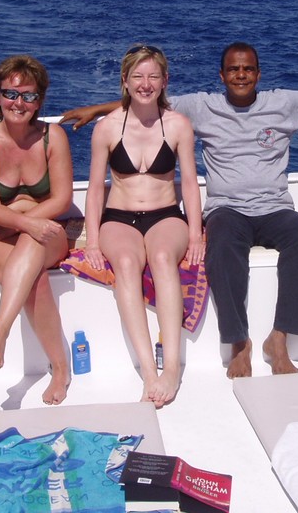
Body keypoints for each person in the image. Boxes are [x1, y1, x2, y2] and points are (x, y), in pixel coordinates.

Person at [66, 42, 298, 378]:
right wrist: (96, 110)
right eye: (233, 69)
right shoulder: (202, 106)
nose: (241, 75)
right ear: (221, 75)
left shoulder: (284, 103)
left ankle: (279, 340)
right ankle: (239, 343)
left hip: (275, 206)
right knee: (221, 250)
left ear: (259, 74)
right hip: (226, 208)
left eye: (248, 69)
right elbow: (146, 99)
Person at [84, 45, 203, 407]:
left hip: (165, 213)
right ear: (125, 80)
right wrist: (92, 240)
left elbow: (189, 184)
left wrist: (195, 233)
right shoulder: (106, 128)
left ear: (165, 81)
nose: (145, 84)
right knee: (125, 263)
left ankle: (172, 368)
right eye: (137, 76)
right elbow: (95, 188)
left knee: (164, 257)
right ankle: (149, 372)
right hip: (119, 216)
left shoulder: (178, 125)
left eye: (153, 76)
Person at [0, 55, 75, 405]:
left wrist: (17, 220)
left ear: (39, 101)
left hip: (41, 232)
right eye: (11, 94)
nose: (19, 103)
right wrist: (21, 220)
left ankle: (0, 332)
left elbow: (62, 199)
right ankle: (60, 367)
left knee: (31, 241)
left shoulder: (52, 137)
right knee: (35, 280)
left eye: (28, 96)